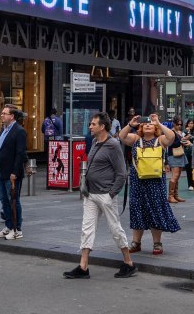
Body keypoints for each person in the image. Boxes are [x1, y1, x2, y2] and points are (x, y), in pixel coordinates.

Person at [62, 113, 137, 280]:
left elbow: (122, 173)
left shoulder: (113, 145)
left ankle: (129, 263)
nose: (90, 126)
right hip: (90, 194)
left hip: (105, 194)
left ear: (102, 127)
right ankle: (83, 267)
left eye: (93, 124)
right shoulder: (95, 142)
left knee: (115, 229)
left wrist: (111, 194)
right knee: (86, 229)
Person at [119, 114, 180, 251]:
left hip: (156, 182)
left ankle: (157, 243)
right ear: (140, 127)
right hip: (138, 181)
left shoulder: (161, 140)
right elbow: (122, 136)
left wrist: (158, 122)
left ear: (155, 128)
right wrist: (130, 124)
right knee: (137, 209)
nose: (147, 125)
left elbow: (172, 136)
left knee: (156, 210)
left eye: (150, 124)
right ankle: (136, 242)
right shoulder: (136, 139)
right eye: (144, 124)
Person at [0, 104, 28, 240]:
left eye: (4, 113)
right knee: (4, 200)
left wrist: (15, 172)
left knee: (13, 200)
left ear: (12, 116)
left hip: (11, 173)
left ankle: (17, 229)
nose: (2, 115)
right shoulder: (4, 130)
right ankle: (9, 226)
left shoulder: (19, 131)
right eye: (2, 113)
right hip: (1, 170)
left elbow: (20, 153)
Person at [166, 118, 190, 202]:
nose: (179, 126)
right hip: (173, 155)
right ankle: (170, 196)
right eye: (177, 124)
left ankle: (175, 195)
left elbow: (179, 143)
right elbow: (172, 144)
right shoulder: (171, 132)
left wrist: (184, 141)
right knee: (175, 175)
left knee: (178, 176)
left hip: (180, 154)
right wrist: (182, 140)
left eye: (180, 124)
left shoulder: (179, 132)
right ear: (174, 123)